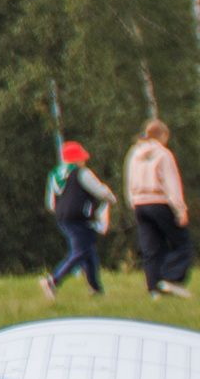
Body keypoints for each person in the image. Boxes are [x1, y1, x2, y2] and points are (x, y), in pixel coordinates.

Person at [125, 122, 191, 298]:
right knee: (182, 243)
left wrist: (133, 201)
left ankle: (154, 289)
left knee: (151, 248)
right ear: (163, 135)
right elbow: (172, 183)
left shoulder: (134, 153)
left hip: (139, 203)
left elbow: (129, 180)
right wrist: (180, 209)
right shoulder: (163, 154)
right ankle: (170, 278)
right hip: (158, 201)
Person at [44, 140, 117, 297]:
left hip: (62, 218)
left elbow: (51, 203)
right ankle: (54, 280)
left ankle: (96, 289)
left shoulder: (54, 174)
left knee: (89, 251)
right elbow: (99, 191)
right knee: (81, 252)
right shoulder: (82, 173)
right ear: (77, 159)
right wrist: (111, 198)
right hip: (79, 217)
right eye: (82, 157)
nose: (84, 160)